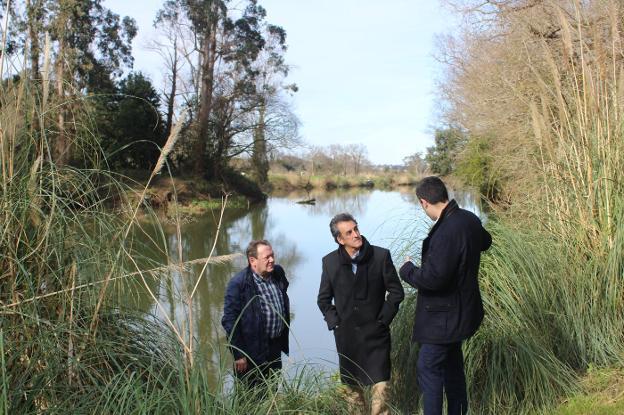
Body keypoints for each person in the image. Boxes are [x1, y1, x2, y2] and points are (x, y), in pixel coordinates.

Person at [399, 176, 492, 415]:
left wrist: (407, 270)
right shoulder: (468, 219)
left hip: (443, 320)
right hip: (463, 312)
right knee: (452, 369)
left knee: (428, 367)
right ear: (443, 194)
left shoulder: (445, 232)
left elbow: (433, 279)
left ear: (423, 202)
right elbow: (486, 241)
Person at [318, 213, 405, 415]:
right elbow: (323, 300)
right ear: (340, 239)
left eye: (356, 228)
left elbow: (396, 292)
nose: (356, 234)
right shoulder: (329, 262)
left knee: (382, 390)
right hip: (347, 338)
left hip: (377, 336)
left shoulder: (381, 256)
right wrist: (335, 323)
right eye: (349, 232)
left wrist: (383, 320)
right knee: (353, 395)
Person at [221, 240, 290, 389]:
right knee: (251, 397)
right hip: (251, 352)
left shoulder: (277, 273)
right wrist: (238, 354)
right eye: (267, 257)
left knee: (272, 389)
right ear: (253, 261)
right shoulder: (238, 284)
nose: (272, 260)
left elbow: (284, 292)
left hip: (275, 346)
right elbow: (229, 321)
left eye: (272, 255)